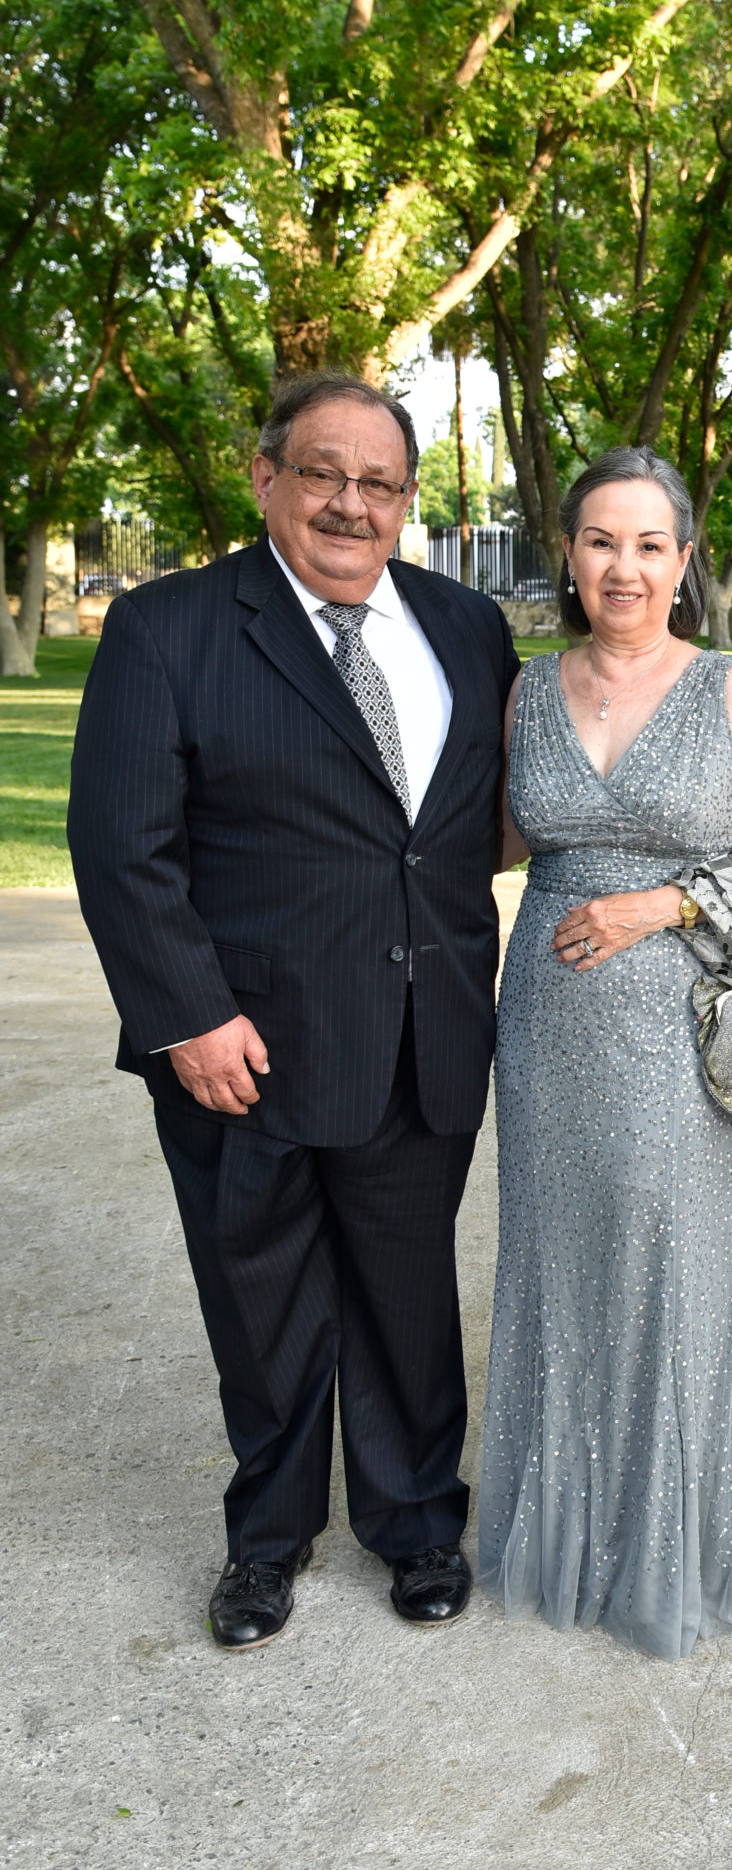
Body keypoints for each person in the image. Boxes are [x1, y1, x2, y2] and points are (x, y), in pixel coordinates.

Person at [68, 374, 521, 1648]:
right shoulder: (169, 628)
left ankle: (418, 1520)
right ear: (265, 476)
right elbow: (119, 845)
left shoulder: (466, 626)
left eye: (379, 482)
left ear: (408, 503)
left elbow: (473, 822)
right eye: (322, 471)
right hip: (243, 1048)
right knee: (261, 1304)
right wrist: (188, 1014)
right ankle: (265, 1543)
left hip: (423, 1032)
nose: (349, 503)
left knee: (404, 1292)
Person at [478, 446, 732, 1659]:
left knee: (667, 1258)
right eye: (601, 541)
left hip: (675, 1027)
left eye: (648, 544)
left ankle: (672, 1546)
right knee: (554, 1259)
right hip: (547, 1026)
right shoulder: (523, 689)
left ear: (681, 562)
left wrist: (654, 907)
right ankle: (560, 1533)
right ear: (568, 555)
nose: (623, 566)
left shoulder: (724, 685)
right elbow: (498, 841)